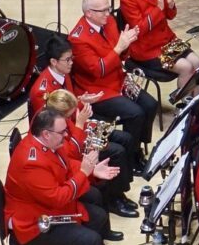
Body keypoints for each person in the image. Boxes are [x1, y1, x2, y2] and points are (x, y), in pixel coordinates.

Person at [4, 108, 116, 245]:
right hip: (32, 225)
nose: (67, 135)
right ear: (46, 133)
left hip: (44, 210)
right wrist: (84, 173)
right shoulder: (31, 162)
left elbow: (66, 165)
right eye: (63, 132)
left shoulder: (47, 144)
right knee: (89, 241)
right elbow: (58, 197)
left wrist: (91, 171)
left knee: (97, 217)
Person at [69, 0, 160, 163]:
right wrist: (119, 48)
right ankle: (130, 158)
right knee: (135, 113)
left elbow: (121, 54)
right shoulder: (78, 39)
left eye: (108, 8)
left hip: (118, 79)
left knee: (150, 104)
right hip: (98, 91)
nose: (107, 13)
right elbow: (98, 69)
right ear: (88, 13)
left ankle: (138, 145)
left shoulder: (109, 21)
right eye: (102, 10)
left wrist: (126, 45)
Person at [43, 88, 139, 219]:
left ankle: (120, 191)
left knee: (125, 139)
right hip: (76, 154)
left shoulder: (62, 114)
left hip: (80, 141)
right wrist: (80, 124)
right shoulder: (53, 128)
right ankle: (114, 200)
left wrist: (83, 107)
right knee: (117, 152)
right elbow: (71, 154)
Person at [120, 0, 199, 91]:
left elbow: (169, 16)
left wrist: (170, 5)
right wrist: (159, 9)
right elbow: (140, 29)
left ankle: (197, 104)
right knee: (186, 67)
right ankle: (183, 107)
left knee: (197, 62)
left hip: (167, 40)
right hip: (147, 49)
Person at [29, 36, 104, 119]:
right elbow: (51, 126)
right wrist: (80, 124)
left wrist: (82, 101)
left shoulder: (64, 72)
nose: (71, 62)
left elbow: (67, 107)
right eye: (67, 59)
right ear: (54, 62)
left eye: (71, 58)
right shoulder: (41, 92)